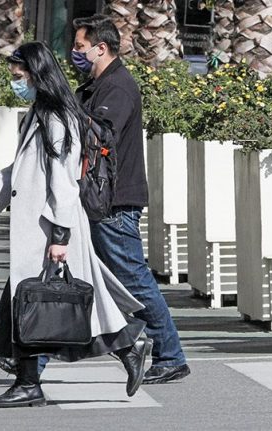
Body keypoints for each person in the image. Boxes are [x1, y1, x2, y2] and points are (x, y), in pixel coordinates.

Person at [0, 41, 151, 408]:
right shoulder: (39, 114)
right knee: (40, 303)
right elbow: (19, 170)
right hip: (40, 228)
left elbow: (64, 180)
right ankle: (126, 345)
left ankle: (31, 383)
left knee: (32, 303)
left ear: (37, 75)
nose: (15, 82)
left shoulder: (57, 118)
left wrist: (60, 235)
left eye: (19, 76)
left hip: (49, 228)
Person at [71, 14, 190, 384]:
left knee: (134, 280)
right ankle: (32, 362)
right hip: (99, 200)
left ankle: (169, 355)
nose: (75, 52)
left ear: (100, 48)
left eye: (79, 46)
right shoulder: (97, 86)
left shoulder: (117, 88)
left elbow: (100, 134)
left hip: (114, 202)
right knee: (86, 279)